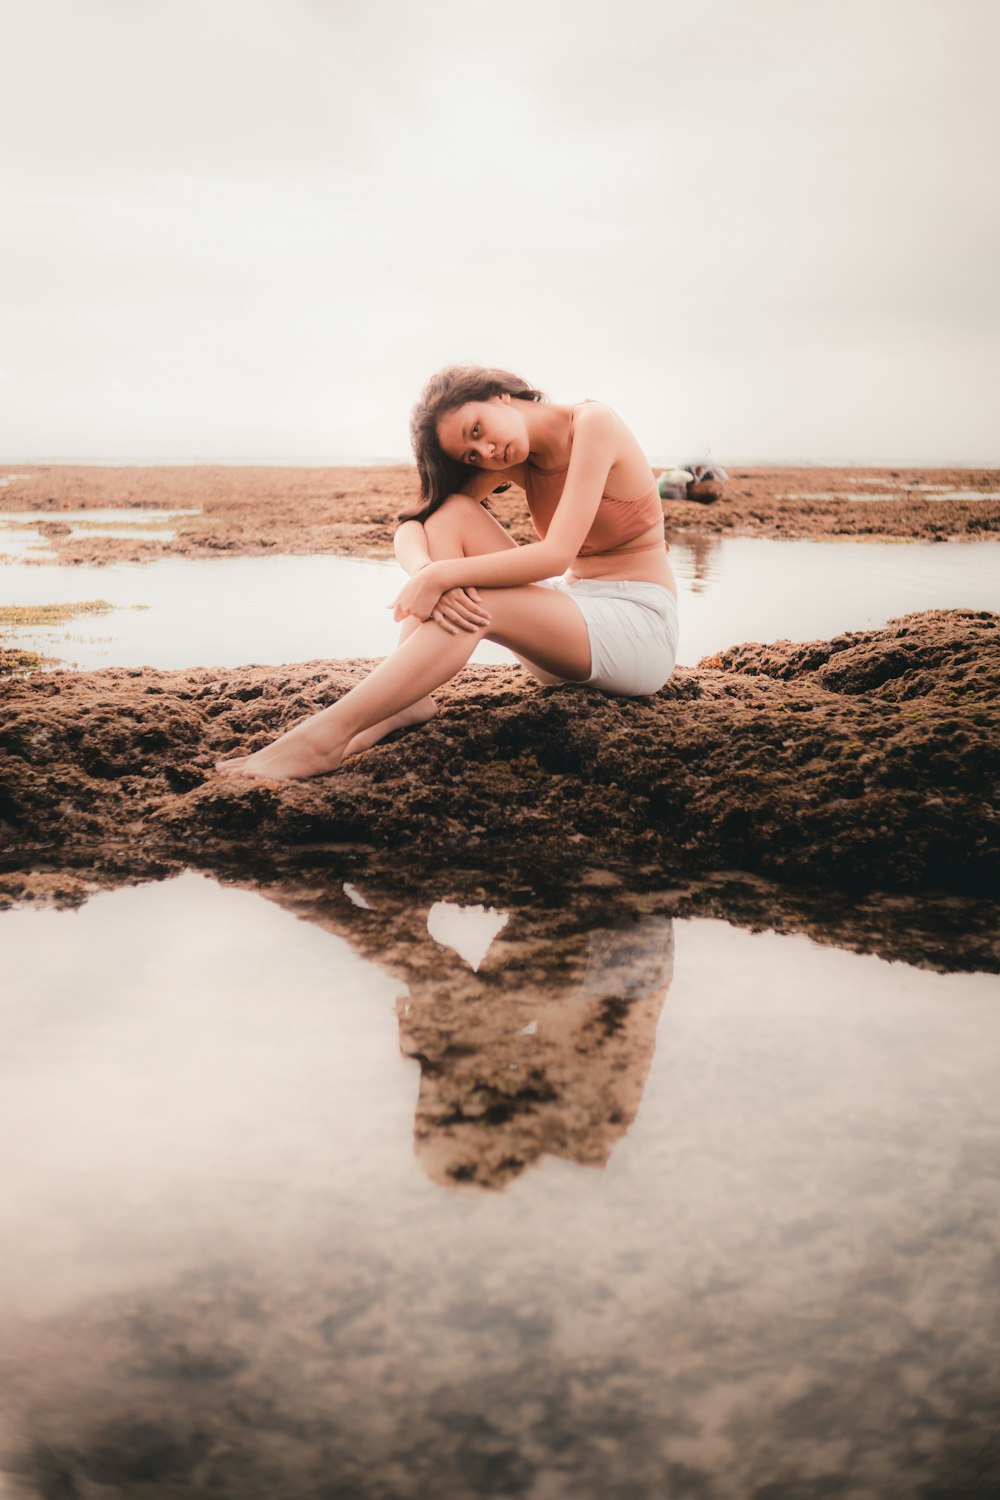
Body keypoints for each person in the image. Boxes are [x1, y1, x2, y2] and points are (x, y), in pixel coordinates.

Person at [217, 365, 679, 781]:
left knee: (478, 599)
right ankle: (409, 701)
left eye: (476, 429)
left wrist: (441, 578)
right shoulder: (517, 458)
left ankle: (320, 740)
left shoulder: (594, 422)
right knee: (453, 512)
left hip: (637, 628)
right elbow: (416, 523)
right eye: (473, 455)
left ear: (499, 394)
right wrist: (424, 570)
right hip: (573, 625)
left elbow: (556, 555)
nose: (487, 451)